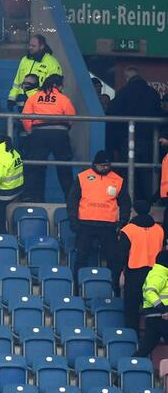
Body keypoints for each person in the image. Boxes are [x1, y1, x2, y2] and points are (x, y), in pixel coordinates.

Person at [68, 151, 132, 295]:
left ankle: (114, 288)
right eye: (102, 165)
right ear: (95, 164)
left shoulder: (118, 179)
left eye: (107, 165)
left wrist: (123, 221)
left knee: (113, 259)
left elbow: (126, 203)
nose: (104, 168)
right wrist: (73, 220)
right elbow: (72, 200)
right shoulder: (83, 177)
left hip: (108, 226)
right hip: (85, 224)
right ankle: (77, 289)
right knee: (81, 257)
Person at [107, 66, 162, 200]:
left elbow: (111, 112)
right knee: (147, 173)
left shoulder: (124, 92)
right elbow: (158, 112)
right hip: (149, 140)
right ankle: (147, 203)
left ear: (127, 78)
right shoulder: (152, 93)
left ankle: (127, 200)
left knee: (127, 172)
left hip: (128, 140)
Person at [21, 74, 75, 202]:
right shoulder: (63, 99)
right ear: (57, 85)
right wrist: (64, 129)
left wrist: (30, 131)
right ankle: (70, 200)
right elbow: (72, 117)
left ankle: (36, 200)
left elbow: (25, 117)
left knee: (37, 168)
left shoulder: (34, 97)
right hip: (59, 134)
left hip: (39, 134)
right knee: (64, 168)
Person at [119, 200, 164, 330]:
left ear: (135, 211)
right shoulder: (159, 230)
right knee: (154, 310)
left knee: (132, 310)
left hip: (134, 274)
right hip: (155, 274)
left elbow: (121, 255)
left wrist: (118, 274)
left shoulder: (128, 230)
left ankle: (133, 340)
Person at [7, 35, 63, 109]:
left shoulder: (52, 63)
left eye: (33, 46)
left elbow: (56, 86)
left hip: (41, 105)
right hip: (22, 104)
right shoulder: (24, 60)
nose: (30, 48)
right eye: (30, 45)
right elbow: (17, 82)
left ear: (41, 46)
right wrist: (11, 98)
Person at [134, 251, 168, 357]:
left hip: (154, 317)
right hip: (160, 316)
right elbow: (150, 292)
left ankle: (131, 365)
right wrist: (163, 309)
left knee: (145, 348)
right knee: (146, 347)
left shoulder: (158, 273)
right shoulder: (159, 274)